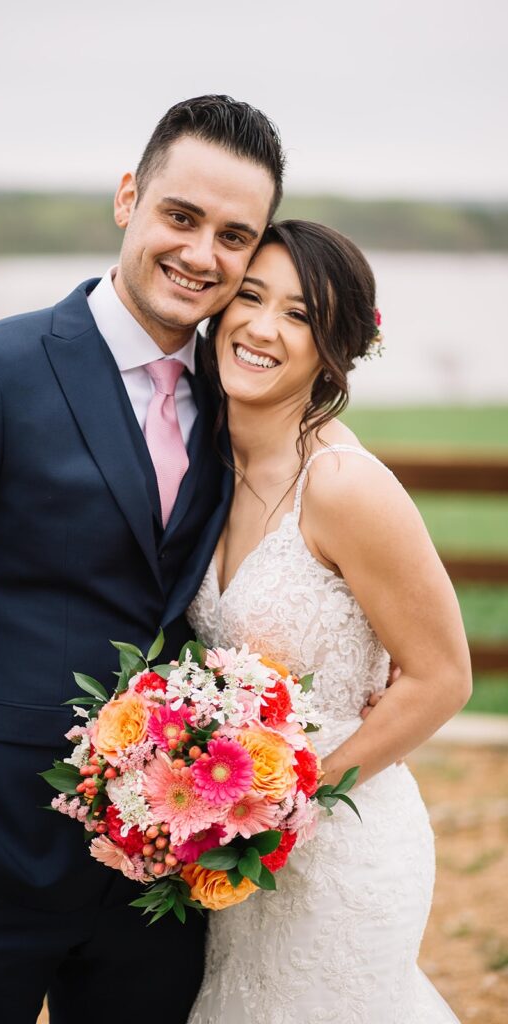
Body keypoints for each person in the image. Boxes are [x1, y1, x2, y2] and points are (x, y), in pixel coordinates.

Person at [0, 95, 284, 1023]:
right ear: (128, 198)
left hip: (157, 880)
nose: (201, 253)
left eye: (234, 235)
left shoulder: (236, 402)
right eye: (181, 216)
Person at [186, 220, 471, 1023]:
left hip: (341, 845)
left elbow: (443, 677)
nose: (262, 328)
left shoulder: (343, 486)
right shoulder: (203, 465)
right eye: (249, 296)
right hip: (232, 840)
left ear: (333, 349)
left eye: (300, 315)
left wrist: (290, 808)